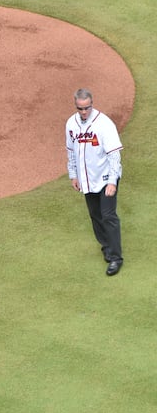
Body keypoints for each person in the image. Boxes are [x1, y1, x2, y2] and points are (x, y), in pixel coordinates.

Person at [66, 88, 123, 276]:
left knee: (108, 216)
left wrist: (113, 182)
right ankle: (106, 247)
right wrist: (73, 174)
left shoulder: (104, 124)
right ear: (76, 106)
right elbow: (71, 151)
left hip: (106, 177)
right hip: (87, 178)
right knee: (95, 215)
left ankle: (116, 258)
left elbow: (114, 155)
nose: (84, 112)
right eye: (80, 109)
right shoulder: (71, 124)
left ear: (92, 104)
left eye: (87, 108)